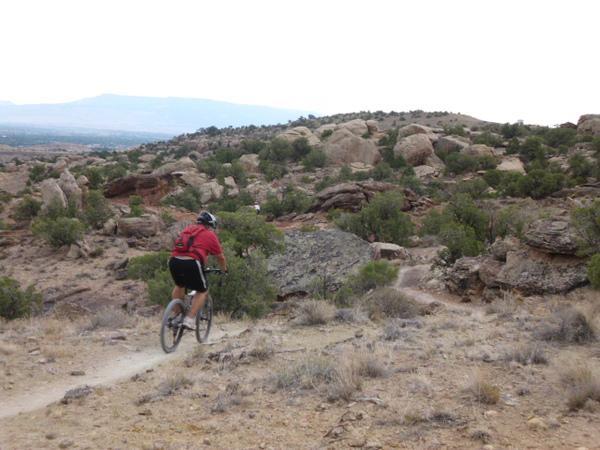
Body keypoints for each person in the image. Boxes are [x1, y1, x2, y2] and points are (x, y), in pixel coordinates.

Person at [168, 211, 227, 330]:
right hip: (192, 262)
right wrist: (224, 270)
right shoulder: (210, 235)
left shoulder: (187, 230)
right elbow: (220, 257)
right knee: (202, 291)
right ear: (210, 225)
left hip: (174, 260)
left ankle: (177, 315)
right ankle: (189, 319)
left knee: (179, 285)